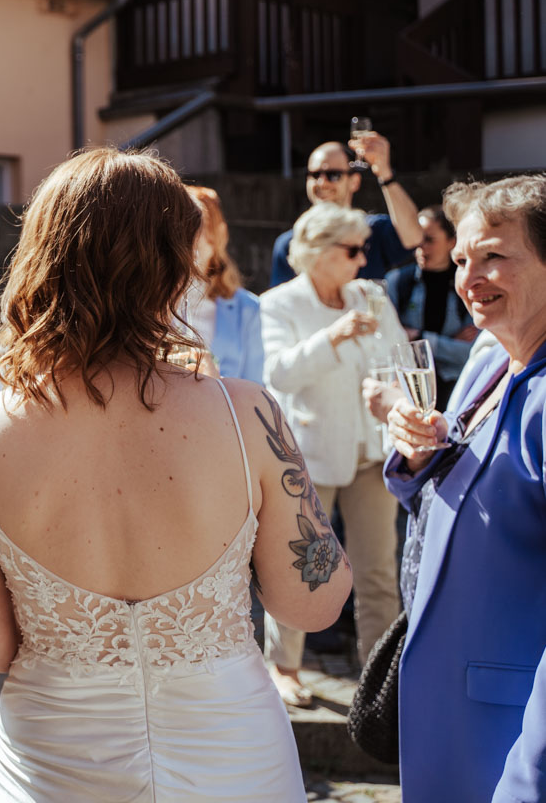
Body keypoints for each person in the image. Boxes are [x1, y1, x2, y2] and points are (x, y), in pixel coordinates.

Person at [0, 147, 351, 801]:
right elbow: (313, 603)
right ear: (172, 266)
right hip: (233, 762)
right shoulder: (247, 415)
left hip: (53, 765)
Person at [384, 175, 546, 803]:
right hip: (447, 706)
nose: (469, 279)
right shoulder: (488, 358)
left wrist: (529, 781)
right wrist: (417, 454)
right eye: (459, 260)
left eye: (494, 256)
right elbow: (459, 502)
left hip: (511, 733)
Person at [258, 202, 407, 706]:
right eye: (353, 250)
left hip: (372, 452)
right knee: (304, 568)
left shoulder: (371, 295)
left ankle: (380, 678)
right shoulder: (279, 303)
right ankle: (285, 668)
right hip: (310, 456)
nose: (363, 259)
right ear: (319, 252)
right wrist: (333, 337)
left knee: (378, 572)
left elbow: (399, 362)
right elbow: (278, 374)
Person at [269, 133, 421, 287]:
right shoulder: (290, 243)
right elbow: (282, 299)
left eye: (333, 175)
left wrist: (385, 173)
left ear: (354, 182)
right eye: (314, 175)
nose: (322, 182)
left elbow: (413, 238)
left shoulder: (372, 230)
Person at [387, 205, 477, 407]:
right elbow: (390, 342)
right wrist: (448, 343)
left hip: (456, 393)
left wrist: (419, 338)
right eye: (417, 239)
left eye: (429, 240)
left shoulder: (468, 284)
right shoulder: (398, 282)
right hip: (409, 391)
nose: (421, 247)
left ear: (452, 242)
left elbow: (471, 353)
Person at [183, 186, 264, 381]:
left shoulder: (248, 308)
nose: (183, 236)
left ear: (216, 235)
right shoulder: (154, 305)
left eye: (194, 226)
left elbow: (256, 384)